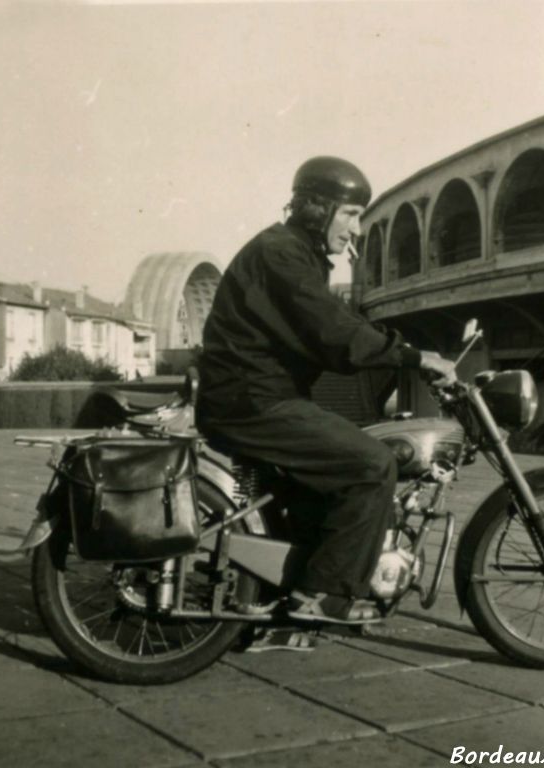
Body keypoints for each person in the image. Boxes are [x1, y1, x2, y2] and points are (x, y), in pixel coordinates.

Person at [196, 156, 455, 625]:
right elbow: (333, 331)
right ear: (317, 209)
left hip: (258, 395)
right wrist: (413, 359)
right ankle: (319, 598)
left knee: (335, 473)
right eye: (351, 214)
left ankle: (286, 585)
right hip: (252, 401)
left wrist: (399, 353)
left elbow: (340, 330)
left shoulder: (295, 255)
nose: (355, 228)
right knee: (373, 466)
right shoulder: (281, 253)